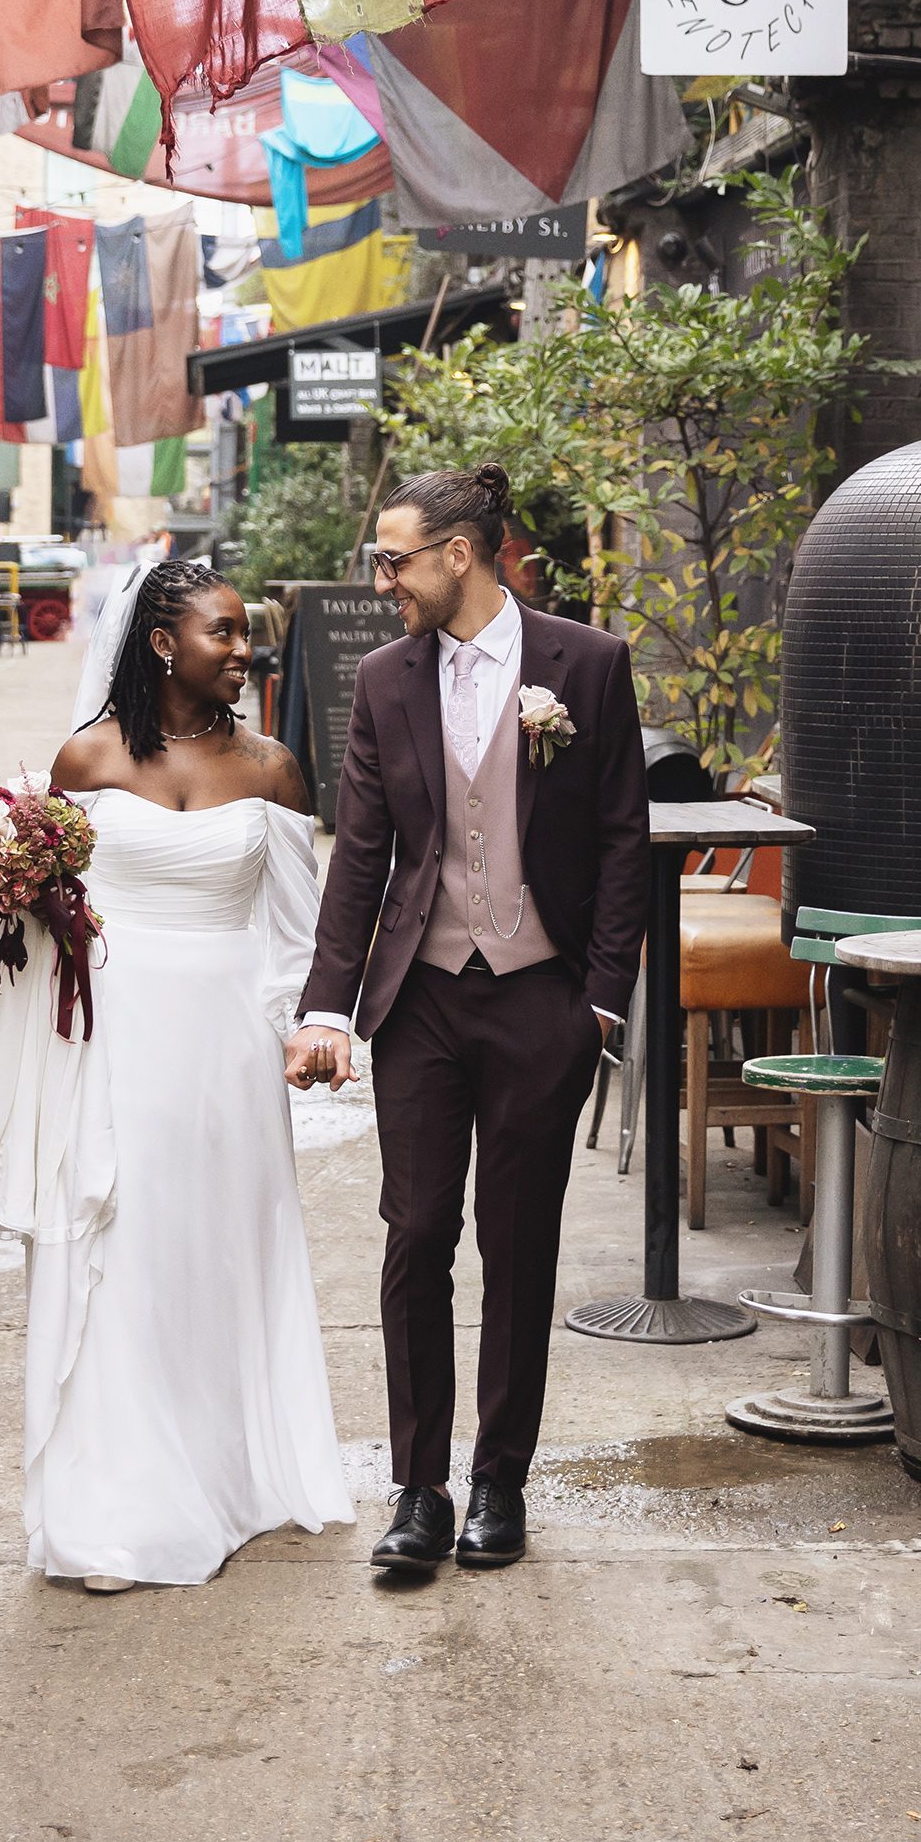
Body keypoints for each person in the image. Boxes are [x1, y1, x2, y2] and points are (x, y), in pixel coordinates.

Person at [0, 555, 354, 1590]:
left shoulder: (274, 769)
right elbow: (55, 919)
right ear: (164, 642)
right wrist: (10, 886)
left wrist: (308, 1030)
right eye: (224, 630)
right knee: (121, 1249)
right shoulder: (85, 758)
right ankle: (116, 1501)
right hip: (116, 1034)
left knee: (217, 1247)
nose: (244, 647)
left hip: (225, 1045)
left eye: (245, 629)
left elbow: (298, 932)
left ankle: (231, 1469)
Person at [288, 465, 648, 1574]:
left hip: (543, 997)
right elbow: (362, 854)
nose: (381, 578)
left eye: (394, 558)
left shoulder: (585, 666)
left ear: (460, 553)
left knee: (518, 1241)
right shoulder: (387, 677)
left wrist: (596, 1001)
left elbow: (622, 840)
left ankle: (501, 1477)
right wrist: (325, 1003)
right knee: (415, 1235)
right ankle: (419, 1487)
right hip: (424, 998)